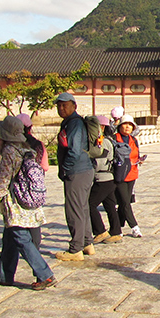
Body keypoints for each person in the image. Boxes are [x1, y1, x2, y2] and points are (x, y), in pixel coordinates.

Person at [0, 116, 56, 290]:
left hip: (15, 201)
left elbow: (4, 180)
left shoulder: (9, 151)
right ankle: (4, 275)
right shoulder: (27, 148)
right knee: (10, 237)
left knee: (21, 237)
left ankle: (45, 274)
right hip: (28, 198)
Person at [55, 92, 95, 261]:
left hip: (77, 171)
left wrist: (65, 168)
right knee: (82, 208)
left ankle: (76, 249)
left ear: (74, 106)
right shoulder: (71, 122)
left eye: (65, 105)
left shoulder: (74, 124)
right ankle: (87, 243)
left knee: (74, 210)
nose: (61, 108)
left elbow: (74, 151)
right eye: (59, 106)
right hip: (84, 170)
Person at [88, 123, 123, 245]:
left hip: (103, 179)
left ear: (101, 128)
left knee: (89, 204)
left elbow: (100, 162)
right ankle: (116, 232)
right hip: (108, 178)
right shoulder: (107, 140)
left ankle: (100, 231)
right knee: (110, 206)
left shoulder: (104, 142)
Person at [114, 115, 144, 238]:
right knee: (125, 201)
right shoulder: (114, 139)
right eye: (125, 124)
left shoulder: (134, 140)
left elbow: (136, 154)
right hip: (120, 174)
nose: (128, 127)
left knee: (124, 202)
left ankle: (117, 227)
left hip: (132, 173)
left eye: (130, 125)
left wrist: (139, 160)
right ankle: (134, 227)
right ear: (120, 126)